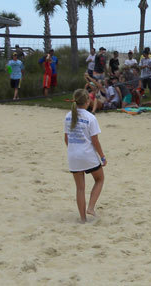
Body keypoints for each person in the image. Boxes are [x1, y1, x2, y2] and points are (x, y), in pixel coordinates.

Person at [64, 89, 106, 223]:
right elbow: (95, 141)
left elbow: (66, 138)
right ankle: (91, 207)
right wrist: (102, 156)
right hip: (87, 155)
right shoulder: (90, 117)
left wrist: (72, 150)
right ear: (87, 101)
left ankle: (83, 218)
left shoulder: (68, 116)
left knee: (80, 188)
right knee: (99, 179)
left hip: (73, 155)